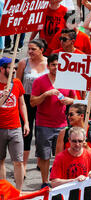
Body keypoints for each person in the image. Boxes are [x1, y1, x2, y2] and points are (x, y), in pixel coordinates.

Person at [30, 53, 77, 189]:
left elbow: (75, 100)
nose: (56, 67)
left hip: (62, 124)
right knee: (44, 156)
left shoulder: (68, 81)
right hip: (44, 124)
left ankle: (59, 180)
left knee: (61, 155)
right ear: (48, 66)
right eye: (53, 65)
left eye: (59, 65)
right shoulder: (40, 81)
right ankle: (45, 182)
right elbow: (32, 102)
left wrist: (70, 101)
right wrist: (45, 94)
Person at [16, 39, 48, 175]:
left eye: (33, 49)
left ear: (41, 50)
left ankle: (42, 161)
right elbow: (17, 83)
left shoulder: (49, 63)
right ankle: (22, 164)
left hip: (44, 100)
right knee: (26, 132)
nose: (29, 52)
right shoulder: (24, 63)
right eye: (28, 49)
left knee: (42, 132)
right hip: (27, 99)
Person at [0, 57, 29, 191]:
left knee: (18, 162)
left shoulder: (17, 83)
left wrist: (26, 123)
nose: (14, 70)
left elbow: (22, 104)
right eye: (11, 68)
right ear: (2, 69)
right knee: (1, 161)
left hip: (15, 127)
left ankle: (19, 191)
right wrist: (2, 98)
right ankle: (3, 191)